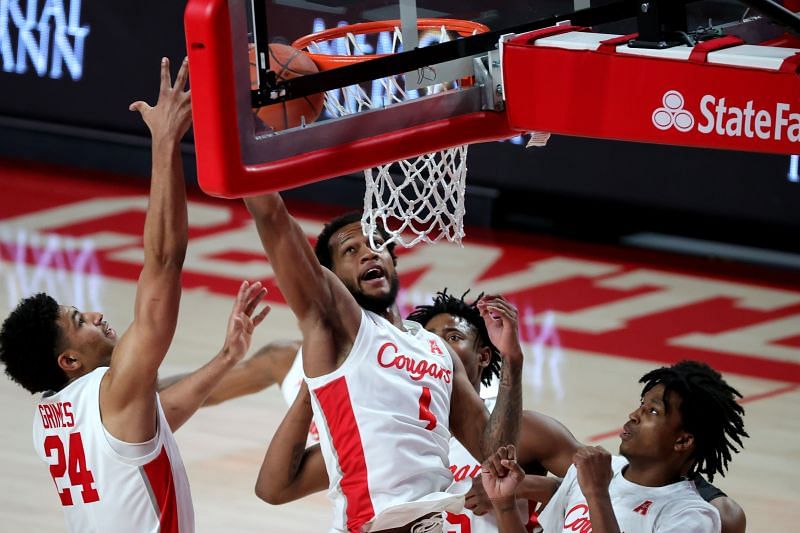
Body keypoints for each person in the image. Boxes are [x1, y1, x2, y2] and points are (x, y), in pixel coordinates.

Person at [0, 57, 268, 533]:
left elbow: (157, 419)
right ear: (69, 361)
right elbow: (163, 261)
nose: (97, 316)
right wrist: (166, 142)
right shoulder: (111, 393)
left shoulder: (55, 418)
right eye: (79, 322)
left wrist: (226, 357)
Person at [250, 291, 745, 532]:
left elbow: (632, 482)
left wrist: (709, 495)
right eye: (426, 339)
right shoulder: (389, 425)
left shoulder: (516, 426)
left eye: (452, 338)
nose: (435, 349)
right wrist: (509, 499)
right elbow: (276, 489)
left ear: (481, 356)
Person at [241, 204, 524, 532]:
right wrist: (254, 180)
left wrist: (512, 362)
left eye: (377, 244)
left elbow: (493, 453)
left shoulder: (438, 351)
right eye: (351, 250)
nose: (369, 253)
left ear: (393, 261)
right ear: (330, 277)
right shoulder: (344, 328)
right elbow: (276, 222)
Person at [481, 361, 749, 533]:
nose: (634, 414)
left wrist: (597, 495)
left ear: (683, 441)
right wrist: (504, 505)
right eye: (641, 404)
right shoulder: (592, 470)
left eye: (653, 411)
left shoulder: (691, 517)